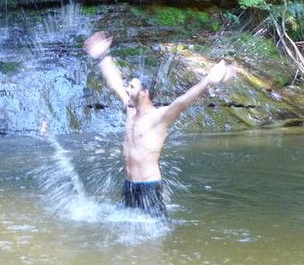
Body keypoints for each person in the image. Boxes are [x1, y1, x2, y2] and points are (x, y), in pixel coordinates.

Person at [83, 30, 235, 217]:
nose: (128, 90)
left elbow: (182, 102)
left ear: (144, 93)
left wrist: (207, 81)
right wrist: (103, 57)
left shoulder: (159, 118)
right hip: (129, 186)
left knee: (152, 239)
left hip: (149, 187)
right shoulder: (131, 109)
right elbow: (115, 83)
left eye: (132, 87)